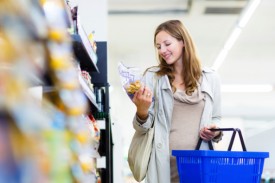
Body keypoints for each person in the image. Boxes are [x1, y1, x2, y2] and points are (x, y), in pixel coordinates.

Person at [131, 19, 223, 183]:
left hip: (199, 166)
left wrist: (215, 131)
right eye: (158, 47)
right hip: (163, 165)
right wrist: (142, 110)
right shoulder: (153, 78)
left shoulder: (211, 78)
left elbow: (216, 118)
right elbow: (142, 128)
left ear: (183, 42)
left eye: (167, 44)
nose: (162, 50)